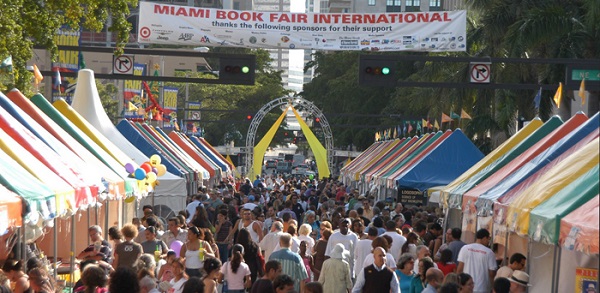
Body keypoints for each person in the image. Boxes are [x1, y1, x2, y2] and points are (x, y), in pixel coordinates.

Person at [457, 229, 497, 293]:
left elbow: (459, 269)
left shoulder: (465, 248)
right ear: (484, 238)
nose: (488, 242)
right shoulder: (489, 252)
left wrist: (459, 286)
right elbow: (492, 274)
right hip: (483, 289)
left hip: (466, 288)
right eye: (488, 239)